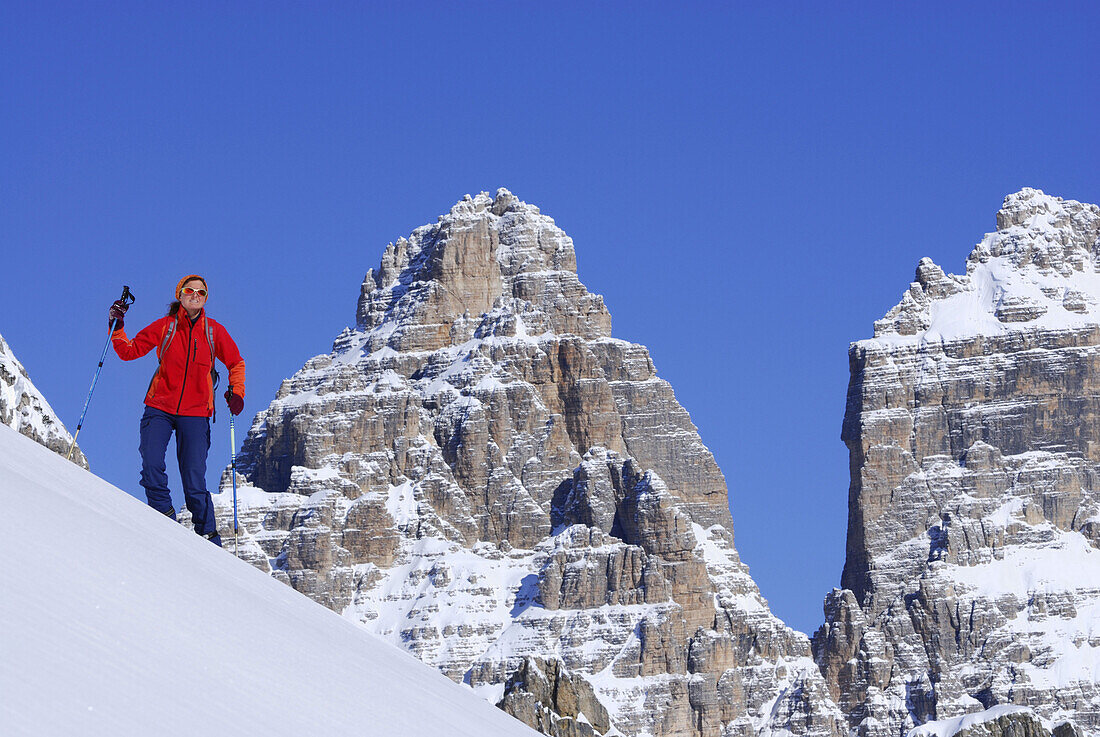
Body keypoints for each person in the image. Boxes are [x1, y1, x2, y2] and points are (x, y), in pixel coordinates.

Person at [108, 275, 246, 546]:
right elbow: (129, 351)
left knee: (194, 480)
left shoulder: (214, 331)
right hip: (159, 406)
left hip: (196, 413)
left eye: (201, 292)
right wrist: (117, 326)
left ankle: (208, 536)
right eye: (189, 291)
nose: (195, 295)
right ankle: (163, 517)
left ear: (206, 298)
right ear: (180, 294)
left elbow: (236, 362)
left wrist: (237, 393)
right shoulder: (166, 327)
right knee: (151, 464)